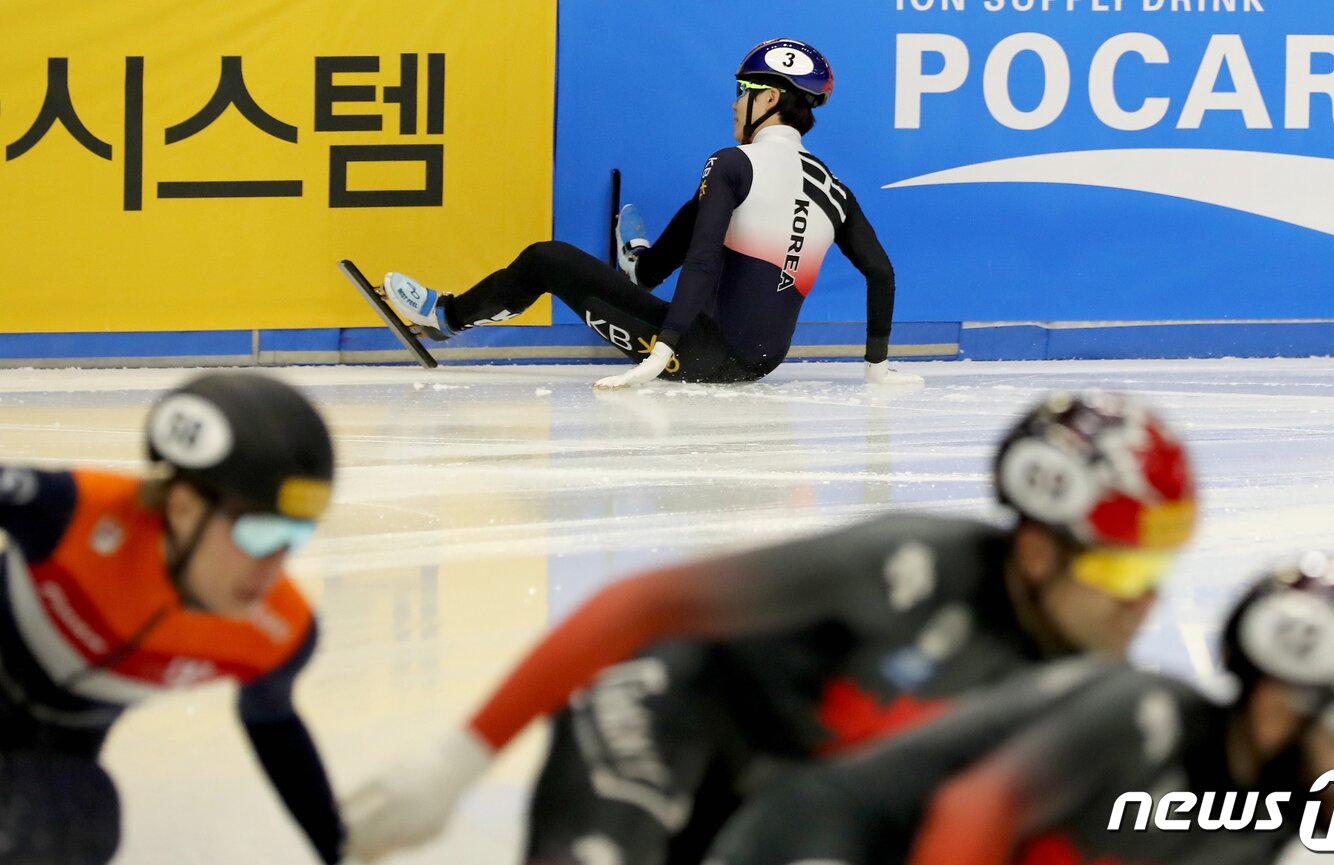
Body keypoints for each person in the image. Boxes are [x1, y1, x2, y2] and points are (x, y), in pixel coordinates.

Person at [342, 389, 1198, 863]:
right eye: (1122, 571)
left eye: (1157, 573)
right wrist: (460, 755)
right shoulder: (907, 566)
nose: (1143, 603)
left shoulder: (1074, 694)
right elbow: (644, 604)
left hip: (777, 793)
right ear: (1041, 550)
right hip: (668, 715)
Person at [703, 551, 1334, 865]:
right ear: (1279, 706)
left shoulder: (1269, 825)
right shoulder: (1140, 711)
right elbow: (971, 814)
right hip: (819, 837)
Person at [376, 38, 923, 389]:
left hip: (699, 353)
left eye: (743, 91)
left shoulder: (733, 161)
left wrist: (664, 349)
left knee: (545, 258)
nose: (734, 103)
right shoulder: (836, 190)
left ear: (770, 99)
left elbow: (706, 258)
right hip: (763, 361)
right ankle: (640, 264)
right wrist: (876, 367)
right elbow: (881, 273)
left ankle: (445, 316)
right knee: (709, 206)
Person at [0, 371, 344, 864]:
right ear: (183, 507)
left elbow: (275, 727)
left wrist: (341, 854)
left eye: (296, 537)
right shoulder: (77, 512)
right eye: (260, 534)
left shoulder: (279, 633)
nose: (274, 566)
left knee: (76, 823)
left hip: (54, 755)